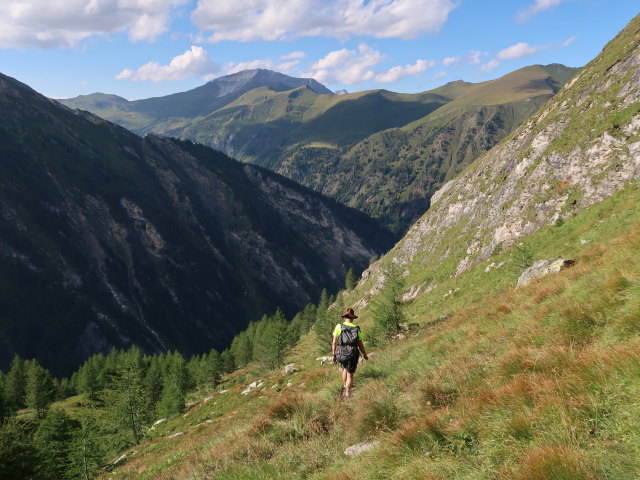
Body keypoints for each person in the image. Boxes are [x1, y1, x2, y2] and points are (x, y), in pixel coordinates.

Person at [332, 307, 368, 397]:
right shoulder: (356, 329)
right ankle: (348, 392)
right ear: (352, 318)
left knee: (344, 369)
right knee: (350, 374)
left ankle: (345, 386)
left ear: (345, 317)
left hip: (342, 353)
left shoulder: (339, 326)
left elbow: (334, 342)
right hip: (353, 353)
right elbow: (360, 344)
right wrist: (364, 354)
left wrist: (334, 354)